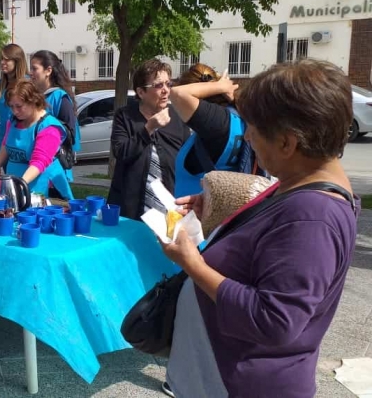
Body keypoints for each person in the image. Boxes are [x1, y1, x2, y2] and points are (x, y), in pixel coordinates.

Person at [161, 59, 358, 398]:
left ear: (287, 143)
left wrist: (192, 264)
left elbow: (274, 320)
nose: (247, 137)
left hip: (243, 384)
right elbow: (273, 234)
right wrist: (221, 210)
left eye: (253, 129)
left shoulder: (314, 217)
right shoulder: (301, 185)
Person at [108, 59, 190, 220]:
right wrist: (148, 129)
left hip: (170, 207)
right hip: (131, 209)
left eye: (168, 84)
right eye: (158, 85)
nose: (165, 90)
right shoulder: (125, 116)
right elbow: (121, 152)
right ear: (141, 92)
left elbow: (187, 159)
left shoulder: (177, 116)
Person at [171, 63, 268, 198]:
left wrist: (221, 86)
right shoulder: (240, 117)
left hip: (196, 213)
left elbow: (178, 94)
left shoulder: (216, 122)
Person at [0, 81, 73, 199]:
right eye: (11, 106)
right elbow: (6, 143)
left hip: (41, 189)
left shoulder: (48, 127)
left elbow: (39, 162)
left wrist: (20, 184)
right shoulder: (14, 121)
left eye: (19, 106)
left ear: (33, 101)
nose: (14, 111)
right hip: (16, 186)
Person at [29, 50, 80, 197]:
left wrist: (46, 129)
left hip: (53, 170)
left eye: (34, 68)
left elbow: (70, 134)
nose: (31, 72)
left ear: (48, 71)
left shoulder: (60, 98)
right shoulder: (34, 96)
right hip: (35, 165)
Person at [0, 43, 28, 155]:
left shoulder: (27, 83)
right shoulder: (0, 84)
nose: (3, 62)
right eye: (1, 59)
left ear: (17, 61)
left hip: (21, 141)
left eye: (7, 60)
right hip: (3, 142)